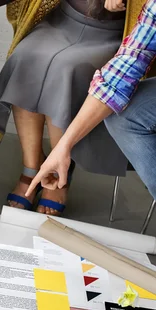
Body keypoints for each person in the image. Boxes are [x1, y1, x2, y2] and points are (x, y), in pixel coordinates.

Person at [0, 0, 145, 216]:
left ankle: (58, 174)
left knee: (65, 69)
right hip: (61, 23)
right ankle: (32, 168)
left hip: (114, 36)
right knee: (26, 57)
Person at [26, 0, 156, 202]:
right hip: (68, 25)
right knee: (124, 116)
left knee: (66, 67)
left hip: (104, 33)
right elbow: (126, 66)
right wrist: (64, 147)